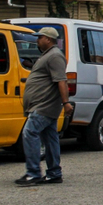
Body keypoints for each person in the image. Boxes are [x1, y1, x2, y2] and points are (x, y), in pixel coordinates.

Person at [15, 27, 72, 187]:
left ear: (48, 39)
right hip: (42, 105)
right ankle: (54, 173)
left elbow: (61, 80)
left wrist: (66, 102)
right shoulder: (47, 56)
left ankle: (33, 174)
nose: (37, 40)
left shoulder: (54, 56)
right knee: (50, 138)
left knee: (29, 132)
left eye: (40, 37)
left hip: (44, 105)